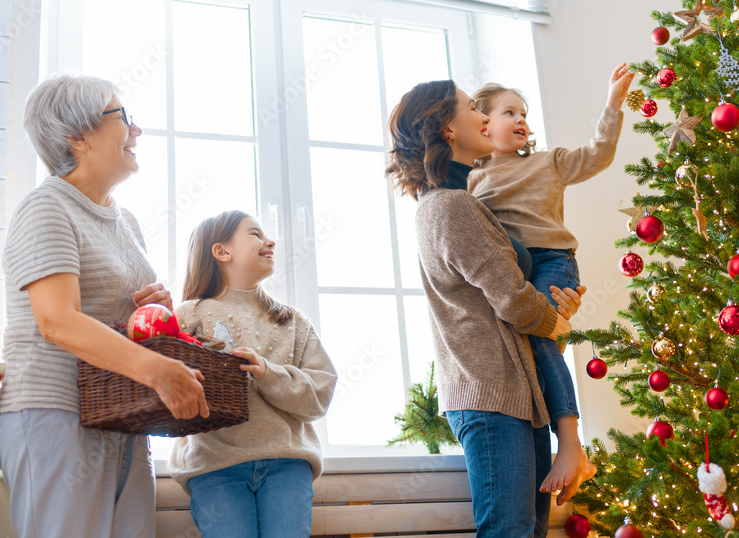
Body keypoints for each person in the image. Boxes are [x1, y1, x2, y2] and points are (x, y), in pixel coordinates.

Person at [0, 75, 210, 538]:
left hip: (121, 415)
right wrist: (156, 369)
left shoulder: (126, 222)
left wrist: (156, 312)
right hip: (55, 412)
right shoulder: (46, 207)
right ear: (77, 136)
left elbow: (117, 319)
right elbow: (58, 322)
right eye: (123, 118)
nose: (137, 131)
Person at [385, 80, 582, 538]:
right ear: (448, 128)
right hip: (491, 394)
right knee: (509, 532)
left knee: (526, 531)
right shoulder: (451, 206)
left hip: (511, 393)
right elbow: (514, 301)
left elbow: (512, 297)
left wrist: (556, 311)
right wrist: (558, 320)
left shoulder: (462, 202)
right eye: (472, 108)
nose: (484, 117)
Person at [467, 64, 632, 519]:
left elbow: (598, 154)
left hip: (553, 261)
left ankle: (571, 443)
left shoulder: (550, 162)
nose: (521, 119)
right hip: (511, 272)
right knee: (523, 351)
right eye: (509, 112)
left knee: (545, 340)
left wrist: (612, 104)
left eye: (524, 112)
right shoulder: (471, 181)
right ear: (482, 122)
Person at [170, 211, 337, 538]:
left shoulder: (293, 323)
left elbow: (320, 395)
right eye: (256, 234)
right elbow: (166, 388)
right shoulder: (186, 317)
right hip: (213, 467)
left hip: (287, 466)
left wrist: (267, 373)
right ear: (222, 252)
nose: (269, 241)